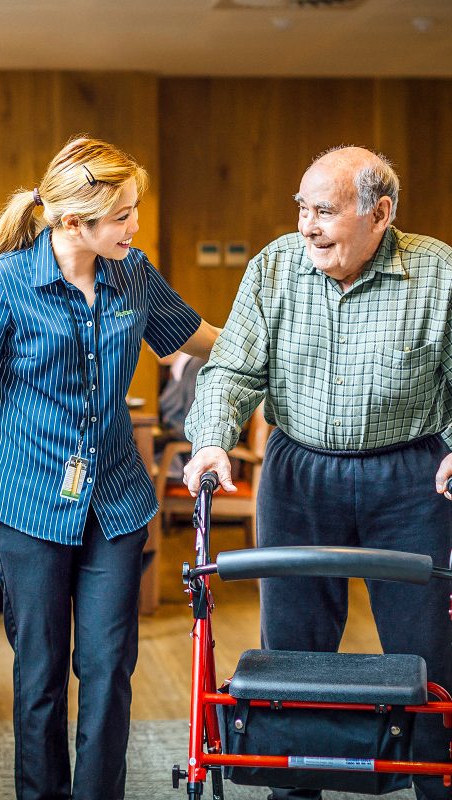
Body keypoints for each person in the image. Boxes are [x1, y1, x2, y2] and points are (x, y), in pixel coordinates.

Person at [0, 135, 218, 800]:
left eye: (134, 210)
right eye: (122, 214)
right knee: (38, 676)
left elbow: (201, 338)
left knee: (106, 669)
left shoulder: (132, 273)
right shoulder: (2, 285)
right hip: (27, 505)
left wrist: (276, 342)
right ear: (72, 222)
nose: (135, 225)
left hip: (117, 504)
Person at [184, 145, 452, 800]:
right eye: (302, 207)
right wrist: (213, 440)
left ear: (379, 213)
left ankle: (435, 784)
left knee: (427, 650)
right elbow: (233, 370)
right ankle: (292, 788)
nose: (307, 225)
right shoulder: (276, 266)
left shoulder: (439, 271)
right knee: (292, 650)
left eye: (325, 211)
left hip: (411, 477)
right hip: (299, 472)